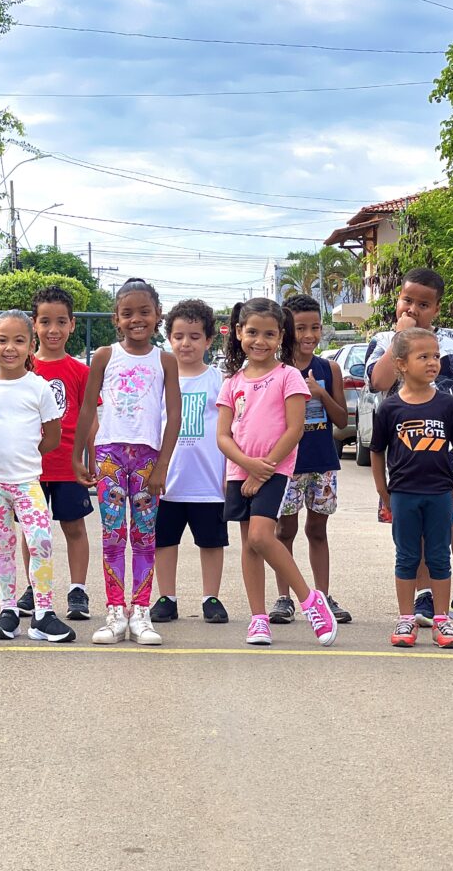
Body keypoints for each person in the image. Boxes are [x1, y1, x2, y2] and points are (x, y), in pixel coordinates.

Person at [364, 267, 453, 629]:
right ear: (397, 300)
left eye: (423, 304)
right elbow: (378, 382)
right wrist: (400, 338)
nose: (413, 309)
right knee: (419, 527)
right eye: (407, 300)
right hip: (409, 456)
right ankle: (425, 595)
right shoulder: (384, 341)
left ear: (437, 309)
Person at [217, 297, 338, 648]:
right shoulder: (232, 382)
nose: (260, 341)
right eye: (252, 332)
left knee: (261, 536)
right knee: (248, 543)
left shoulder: (289, 377)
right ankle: (258, 620)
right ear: (239, 332)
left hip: (275, 470)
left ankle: (311, 600)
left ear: (280, 336)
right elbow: (223, 436)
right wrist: (247, 465)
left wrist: (262, 469)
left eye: (269, 334)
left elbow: (294, 430)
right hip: (240, 471)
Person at [73, 277, 181, 646]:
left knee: (145, 535)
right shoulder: (105, 355)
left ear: (158, 315)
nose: (137, 319)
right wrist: (78, 455)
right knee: (113, 534)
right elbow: (88, 407)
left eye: (145, 312)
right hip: (109, 456)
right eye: (127, 313)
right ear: (115, 319)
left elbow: (174, 415)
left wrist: (163, 465)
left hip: (148, 457)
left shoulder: (165, 360)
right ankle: (116, 611)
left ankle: (142, 612)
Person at [370, 328, 453, 648]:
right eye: (423, 357)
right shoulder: (389, 408)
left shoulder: (446, 405)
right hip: (403, 494)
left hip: (440, 494)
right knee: (407, 557)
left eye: (436, 356)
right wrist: (383, 492)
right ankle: (406, 619)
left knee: (439, 556)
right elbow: (376, 451)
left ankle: (442, 620)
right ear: (401, 364)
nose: (433, 362)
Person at [0, 310, 75, 644]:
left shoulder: (40, 388)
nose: (10, 348)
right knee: (2, 546)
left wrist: (25, 457)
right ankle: (7, 610)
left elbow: (52, 436)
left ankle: (43, 613)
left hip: (26, 481)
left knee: (41, 541)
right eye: (2, 340)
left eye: (19, 341)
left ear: (31, 345)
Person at [13, 285, 96, 622]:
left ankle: (78, 591)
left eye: (61, 322)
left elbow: (90, 420)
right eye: (45, 321)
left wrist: (90, 460)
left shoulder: (81, 372)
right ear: (34, 325)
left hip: (68, 466)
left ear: (72, 325)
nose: (53, 330)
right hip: (29, 467)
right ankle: (35, 586)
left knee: (74, 528)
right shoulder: (22, 371)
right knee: (32, 531)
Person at [271, 294, 351, 625]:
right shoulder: (275, 370)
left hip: (322, 463)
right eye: (300, 327)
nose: (308, 335)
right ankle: (284, 597)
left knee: (317, 530)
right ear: (286, 330)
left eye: (315, 327)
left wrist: (320, 393)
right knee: (284, 531)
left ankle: (322, 595)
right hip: (286, 465)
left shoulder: (329, 369)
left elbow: (342, 420)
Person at [150, 299, 229, 625]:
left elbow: (230, 429)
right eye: (179, 336)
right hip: (166, 481)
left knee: (210, 543)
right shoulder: (159, 379)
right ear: (169, 338)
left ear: (209, 340)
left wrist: (229, 472)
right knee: (164, 541)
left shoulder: (218, 380)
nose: (186, 343)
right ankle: (166, 597)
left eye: (195, 336)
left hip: (208, 482)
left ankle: (211, 597)